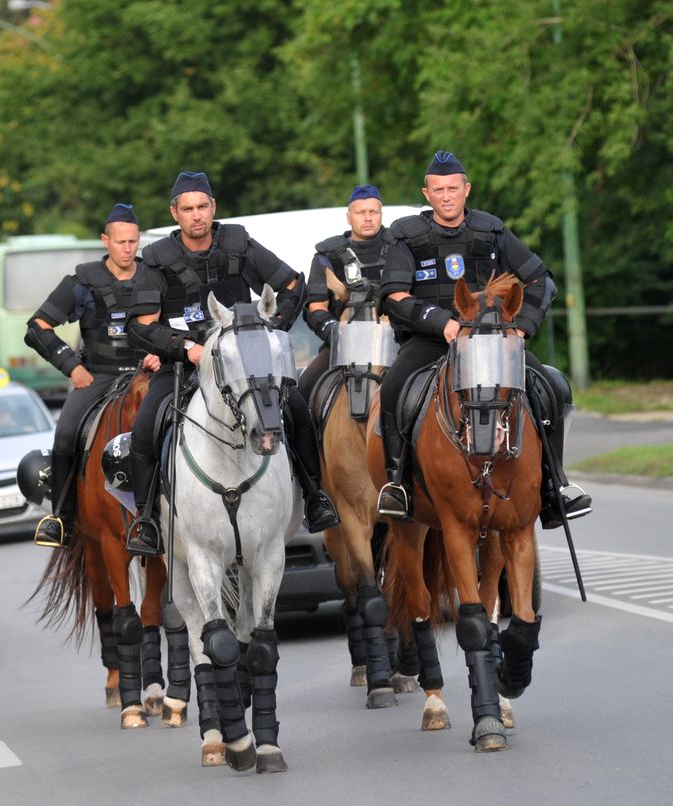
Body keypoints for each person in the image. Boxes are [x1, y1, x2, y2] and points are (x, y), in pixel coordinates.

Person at [125, 171, 340, 556]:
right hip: (186, 364)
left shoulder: (238, 243)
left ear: (213, 208)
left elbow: (293, 285)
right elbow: (140, 327)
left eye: (202, 207)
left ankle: (314, 497)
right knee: (145, 427)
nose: (196, 216)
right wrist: (185, 348)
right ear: (175, 213)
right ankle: (147, 520)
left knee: (295, 409)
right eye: (188, 209)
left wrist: (271, 328)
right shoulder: (156, 259)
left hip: (246, 360)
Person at [375, 151, 592, 527]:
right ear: (427, 194)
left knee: (551, 388)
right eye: (438, 189)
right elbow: (393, 295)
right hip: (432, 341)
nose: (447, 196)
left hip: (494, 342)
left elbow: (543, 281)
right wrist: (442, 321)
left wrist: (521, 327)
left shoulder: (491, 230)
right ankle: (399, 485)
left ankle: (554, 486)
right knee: (394, 388)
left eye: (453, 189)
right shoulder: (405, 234)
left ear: (466, 190)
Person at [25, 203, 161, 548]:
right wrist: (73, 367)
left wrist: (165, 353)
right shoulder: (82, 282)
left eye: (133, 242)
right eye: (120, 242)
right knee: (66, 432)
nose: (128, 249)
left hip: (152, 374)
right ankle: (61, 519)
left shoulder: (157, 276)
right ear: (106, 241)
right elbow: (37, 328)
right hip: (99, 376)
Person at [298, 184, 389, 400]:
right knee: (305, 387)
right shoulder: (327, 256)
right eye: (361, 212)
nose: (368, 218)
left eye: (373, 212)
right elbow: (317, 308)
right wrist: (338, 335)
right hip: (343, 346)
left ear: (381, 214)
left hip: (395, 342)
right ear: (349, 217)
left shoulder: (400, 247)